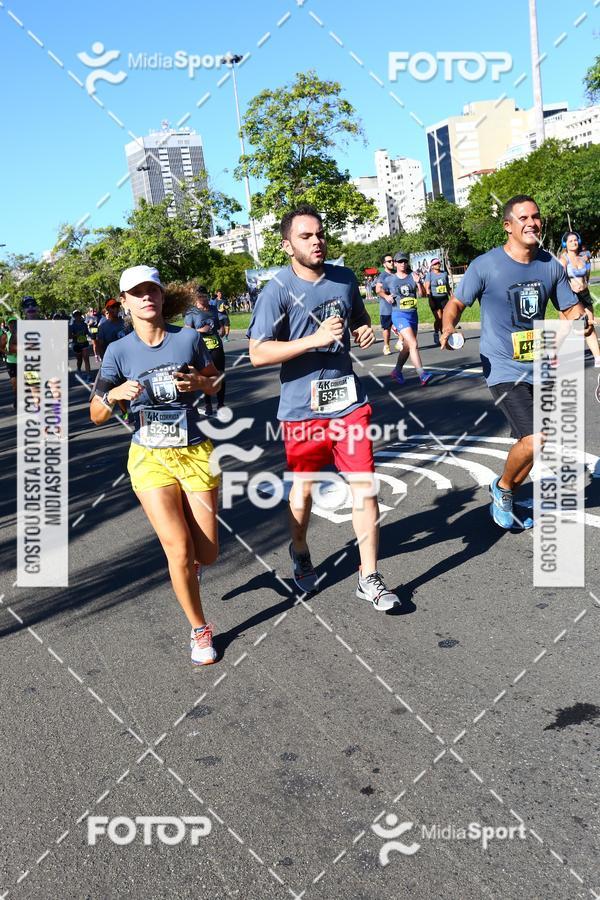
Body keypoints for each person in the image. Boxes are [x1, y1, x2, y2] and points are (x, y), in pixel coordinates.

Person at [247, 204, 399, 610]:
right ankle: (299, 549)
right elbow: (258, 353)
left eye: (320, 234)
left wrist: (363, 330)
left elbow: (359, 320)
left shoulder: (344, 279)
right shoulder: (277, 290)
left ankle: (369, 576)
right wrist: (312, 341)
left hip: (348, 403)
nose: (317, 242)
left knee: (365, 486)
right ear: (287, 245)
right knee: (303, 493)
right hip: (302, 411)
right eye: (306, 236)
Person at [90, 265, 222, 665]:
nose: (146, 297)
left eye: (153, 290)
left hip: (195, 451)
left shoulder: (188, 339)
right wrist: (114, 393)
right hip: (149, 456)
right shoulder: (118, 351)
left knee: (207, 553)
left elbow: (215, 381)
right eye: (137, 293)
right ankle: (199, 629)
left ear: (163, 296)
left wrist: (200, 384)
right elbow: (95, 414)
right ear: (125, 302)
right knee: (177, 547)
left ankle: (194, 567)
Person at [441, 195, 588, 529]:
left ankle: (504, 489)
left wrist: (583, 318)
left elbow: (569, 309)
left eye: (536, 216)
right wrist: (448, 326)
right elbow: (456, 303)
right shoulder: (485, 265)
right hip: (503, 366)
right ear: (508, 226)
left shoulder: (550, 265)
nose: (532, 223)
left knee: (535, 442)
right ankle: (504, 487)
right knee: (536, 438)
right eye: (524, 218)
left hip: (540, 362)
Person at [387, 252, 432, 387]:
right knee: (413, 343)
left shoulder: (413, 276)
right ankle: (422, 374)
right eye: (400, 261)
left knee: (407, 347)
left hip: (413, 315)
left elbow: (422, 295)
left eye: (405, 261)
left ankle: (397, 371)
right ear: (395, 263)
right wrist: (386, 297)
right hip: (399, 315)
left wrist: (418, 283)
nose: (403, 264)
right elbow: (378, 289)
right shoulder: (390, 279)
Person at [184, 284, 226, 416]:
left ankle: (221, 404)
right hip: (201, 350)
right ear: (196, 298)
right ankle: (208, 404)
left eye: (205, 296)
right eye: (200, 296)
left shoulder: (213, 309)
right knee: (205, 377)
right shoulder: (191, 312)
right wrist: (200, 330)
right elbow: (187, 332)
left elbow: (220, 325)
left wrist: (222, 329)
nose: (204, 299)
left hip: (216, 347)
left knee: (220, 375)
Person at [559, 231, 600, 366]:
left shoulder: (583, 258)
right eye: (570, 241)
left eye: (575, 240)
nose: (574, 242)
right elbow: (559, 280)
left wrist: (585, 284)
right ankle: (552, 353)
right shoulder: (563, 260)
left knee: (589, 326)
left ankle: (598, 357)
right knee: (565, 329)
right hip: (570, 297)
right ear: (565, 244)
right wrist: (570, 287)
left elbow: (587, 275)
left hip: (584, 295)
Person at [424, 258, 451, 347]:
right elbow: (427, 288)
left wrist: (452, 296)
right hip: (434, 299)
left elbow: (447, 286)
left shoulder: (444, 273)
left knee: (446, 318)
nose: (438, 265)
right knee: (439, 318)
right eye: (435, 264)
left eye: (438, 263)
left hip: (444, 298)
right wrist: (430, 298)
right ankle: (436, 333)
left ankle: (444, 336)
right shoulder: (430, 275)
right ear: (432, 266)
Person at [374, 253, 397, 355]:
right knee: (386, 328)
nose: (392, 262)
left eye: (392, 261)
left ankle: (401, 342)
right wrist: (386, 296)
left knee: (403, 324)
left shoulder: (396, 274)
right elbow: (378, 289)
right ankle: (386, 346)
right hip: (386, 307)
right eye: (389, 261)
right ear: (384, 264)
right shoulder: (382, 276)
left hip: (397, 305)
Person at [69, 310, 92, 382]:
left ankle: (88, 376)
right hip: (76, 345)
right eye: (76, 315)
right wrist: (76, 335)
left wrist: (93, 336)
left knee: (86, 359)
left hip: (84, 343)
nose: (77, 317)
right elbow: (69, 336)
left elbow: (87, 333)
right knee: (79, 360)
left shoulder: (84, 324)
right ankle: (78, 369)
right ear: (74, 317)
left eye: (78, 315)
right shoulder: (72, 326)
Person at [0, 315, 17, 408]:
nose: (13, 325)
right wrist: (8, 353)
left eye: (15, 323)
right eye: (11, 323)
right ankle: (16, 398)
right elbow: (1, 348)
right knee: (14, 383)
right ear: (8, 325)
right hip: (11, 362)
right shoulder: (5, 335)